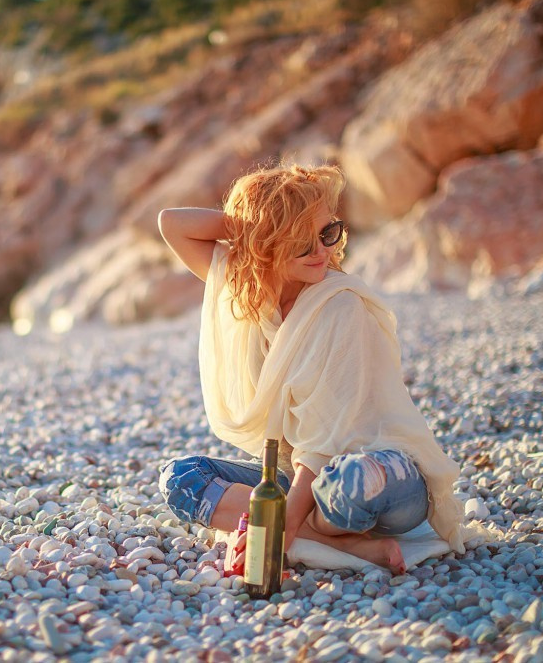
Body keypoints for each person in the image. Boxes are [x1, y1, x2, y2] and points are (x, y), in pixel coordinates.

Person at [156, 163, 468, 575]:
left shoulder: (340, 305)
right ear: (268, 244)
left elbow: (323, 446)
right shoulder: (248, 291)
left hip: (385, 476)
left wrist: (277, 537)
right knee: (180, 478)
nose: (322, 252)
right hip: (299, 478)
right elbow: (172, 224)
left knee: (351, 482)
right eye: (301, 242)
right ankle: (350, 545)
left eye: (327, 233)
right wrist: (259, 222)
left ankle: (292, 525)